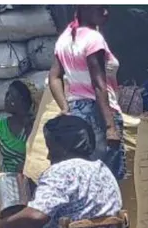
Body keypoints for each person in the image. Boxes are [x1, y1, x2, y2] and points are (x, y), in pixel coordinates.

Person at [48, 5, 126, 181]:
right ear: (84, 8)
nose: (106, 12)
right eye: (100, 8)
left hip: (77, 114)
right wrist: (110, 127)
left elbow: (54, 77)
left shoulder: (65, 38)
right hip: (98, 114)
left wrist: (65, 108)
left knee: (84, 178)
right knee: (105, 179)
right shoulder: (93, 39)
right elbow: (98, 84)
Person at [0, 80, 35, 173]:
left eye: (11, 95)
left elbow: (34, 154)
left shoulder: (33, 127)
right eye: (6, 94)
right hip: (4, 178)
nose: (6, 99)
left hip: (27, 178)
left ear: (21, 100)